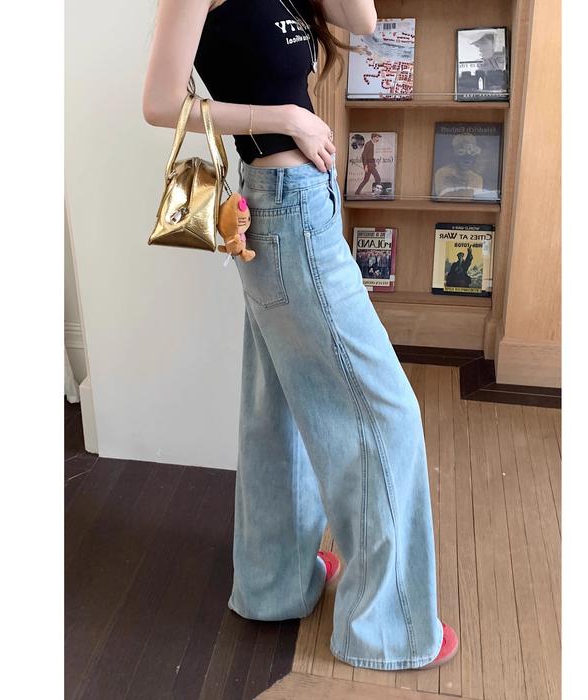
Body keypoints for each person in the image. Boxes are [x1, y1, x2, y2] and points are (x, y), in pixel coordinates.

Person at [142, 0, 458, 672]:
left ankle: (273, 584)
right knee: (389, 414)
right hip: (283, 208)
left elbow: (362, 21)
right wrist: (283, 118)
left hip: (303, 205)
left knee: (276, 409)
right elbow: (160, 104)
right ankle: (385, 631)